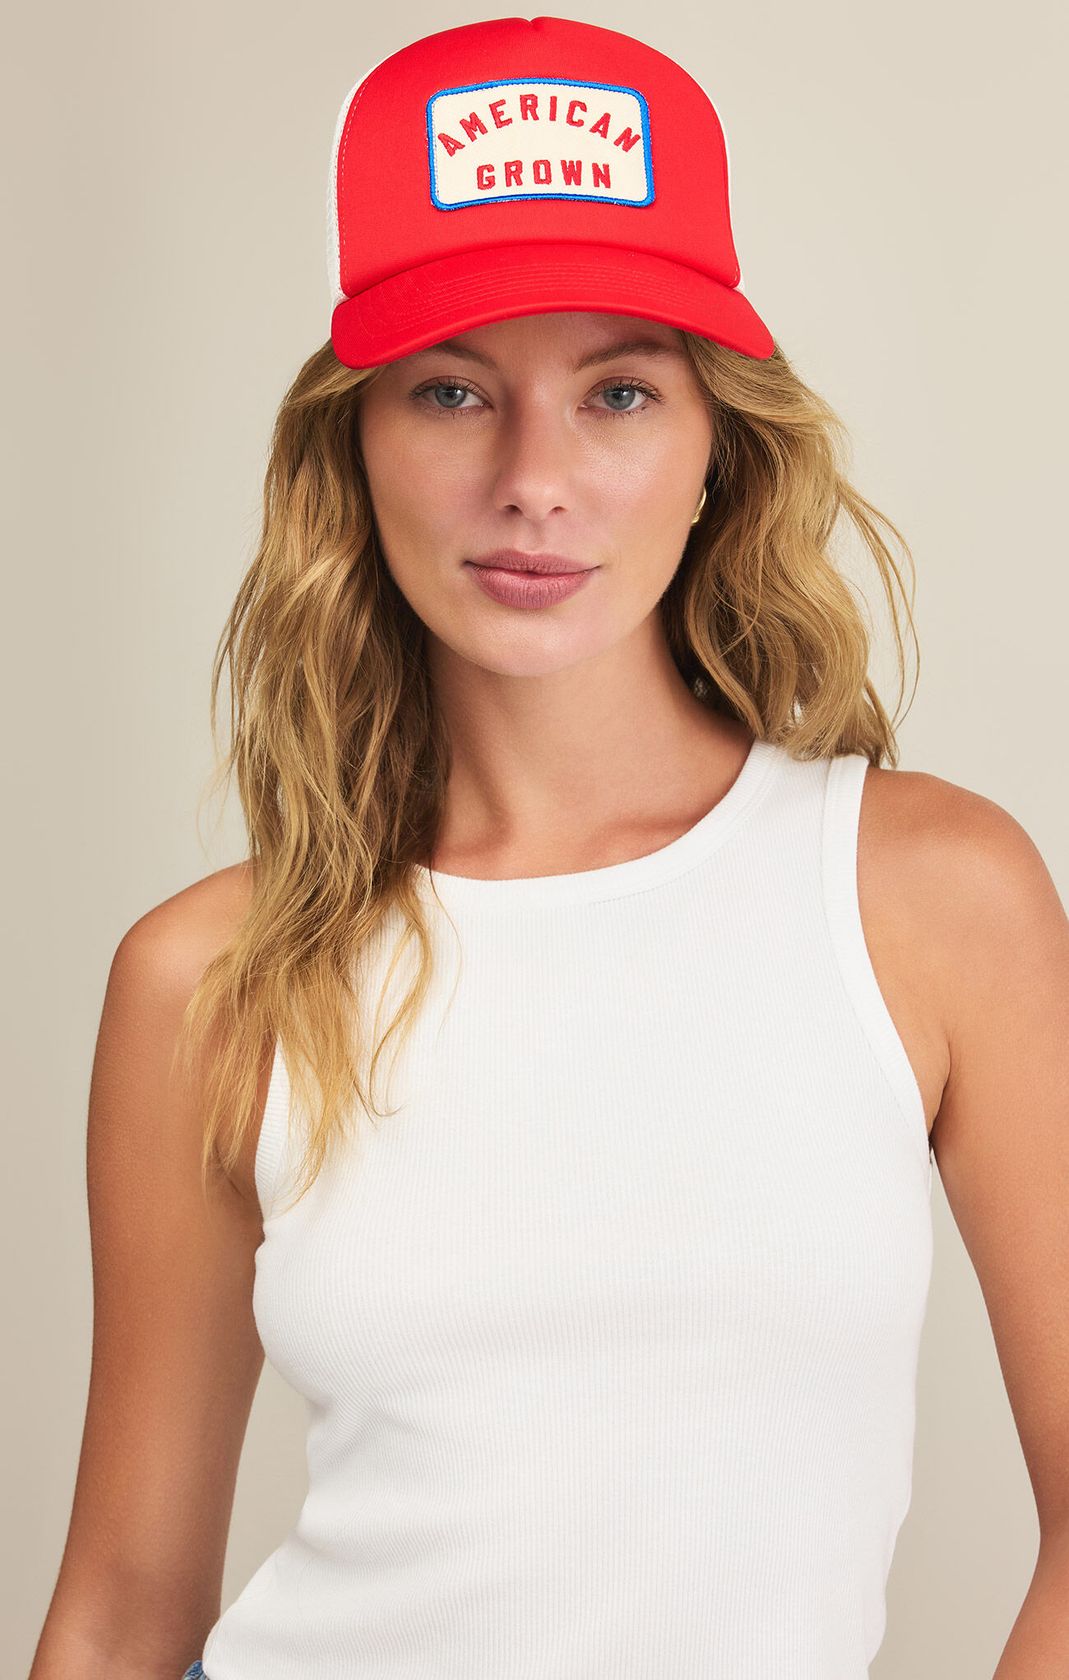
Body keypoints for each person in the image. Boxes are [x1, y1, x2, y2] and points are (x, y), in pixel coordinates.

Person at [30, 16, 1069, 1680]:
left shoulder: (926, 898)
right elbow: (122, 1609)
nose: (533, 480)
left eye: (618, 393)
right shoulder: (210, 975)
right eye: (451, 392)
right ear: (352, 449)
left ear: (717, 445)